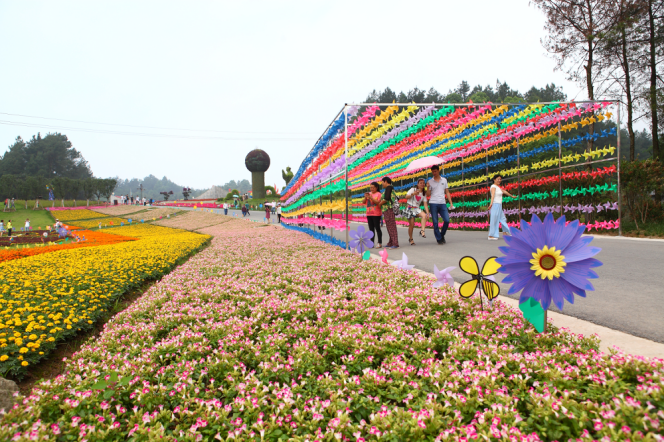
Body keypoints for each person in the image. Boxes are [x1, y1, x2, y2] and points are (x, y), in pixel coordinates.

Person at [427, 165, 454, 245]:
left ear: (438, 171)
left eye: (435, 171)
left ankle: (441, 235)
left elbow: (447, 192)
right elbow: (428, 195)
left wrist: (451, 202)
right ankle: (439, 239)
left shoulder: (444, 180)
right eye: (432, 172)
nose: (434, 173)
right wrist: (427, 187)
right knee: (435, 222)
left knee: (447, 220)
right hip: (433, 203)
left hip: (442, 203)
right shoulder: (430, 181)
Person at [488, 174, 515, 240]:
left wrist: (512, 196)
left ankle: (505, 233)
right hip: (495, 205)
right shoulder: (493, 186)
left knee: (503, 219)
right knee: (494, 220)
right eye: (498, 179)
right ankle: (491, 235)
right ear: (494, 180)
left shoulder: (498, 187)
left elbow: (504, 191)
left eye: (500, 179)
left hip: (499, 205)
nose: (499, 180)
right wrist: (491, 204)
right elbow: (493, 195)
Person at [405, 178, 430, 245]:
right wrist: (413, 194)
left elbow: (425, 204)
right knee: (412, 225)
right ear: (418, 184)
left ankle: (422, 231)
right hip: (410, 208)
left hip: (417, 209)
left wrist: (428, 213)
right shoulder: (413, 189)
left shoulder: (424, 194)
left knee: (424, 215)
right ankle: (411, 238)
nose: (422, 184)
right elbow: (406, 197)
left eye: (423, 183)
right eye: (420, 183)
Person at [378, 176, 399, 249]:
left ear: (386, 181)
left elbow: (386, 198)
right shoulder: (388, 188)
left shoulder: (389, 187)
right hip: (386, 210)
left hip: (389, 209)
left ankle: (395, 243)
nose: (382, 184)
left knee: (391, 226)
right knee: (389, 226)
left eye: (382, 182)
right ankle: (391, 242)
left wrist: (380, 204)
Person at [363, 182, 383, 249]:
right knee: (371, 229)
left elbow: (378, 202)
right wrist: (366, 197)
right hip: (369, 214)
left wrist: (371, 198)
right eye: (370, 187)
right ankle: (371, 243)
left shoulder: (379, 194)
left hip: (376, 214)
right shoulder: (369, 194)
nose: (371, 189)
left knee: (377, 228)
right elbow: (363, 202)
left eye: (373, 187)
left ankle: (379, 243)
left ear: (376, 187)